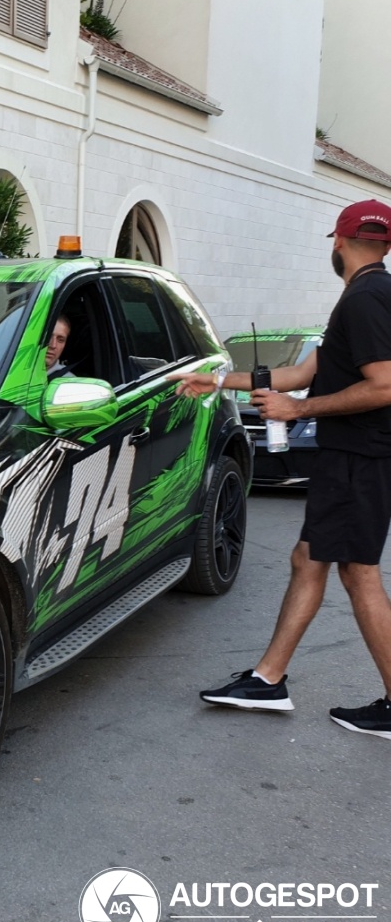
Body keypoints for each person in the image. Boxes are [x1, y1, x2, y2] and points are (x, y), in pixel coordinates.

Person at [170, 199, 391, 740]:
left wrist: (301, 410)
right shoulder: (367, 297)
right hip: (357, 458)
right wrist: (219, 381)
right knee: (308, 560)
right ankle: (269, 679)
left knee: (357, 573)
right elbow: (296, 373)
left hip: (359, 458)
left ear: (337, 242)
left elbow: (384, 385)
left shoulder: (366, 298)